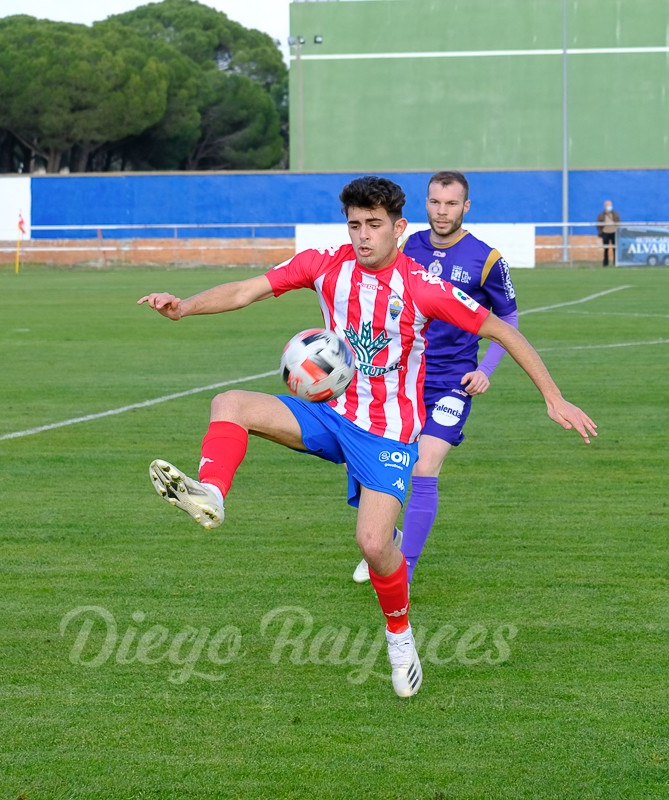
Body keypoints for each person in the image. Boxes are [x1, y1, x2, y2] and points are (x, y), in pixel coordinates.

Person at [138, 176, 597, 699]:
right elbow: (248, 289)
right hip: (332, 416)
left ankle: (399, 637)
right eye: (354, 224)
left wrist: (553, 397)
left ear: (399, 229)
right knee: (230, 404)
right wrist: (184, 306)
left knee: (374, 544)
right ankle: (212, 493)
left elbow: (503, 329)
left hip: (387, 436)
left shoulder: (423, 286)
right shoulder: (323, 264)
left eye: (374, 225)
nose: (362, 236)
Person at [350, 171, 518, 585]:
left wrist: (485, 369)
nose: (442, 212)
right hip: (402, 376)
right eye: (435, 203)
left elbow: (507, 317)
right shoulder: (408, 245)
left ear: (466, 207)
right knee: (369, 462)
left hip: (453, 381)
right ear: (426, 204)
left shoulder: (487, 258)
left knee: (424, 467)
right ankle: (386, 538)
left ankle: (403, 567)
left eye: (451, 203)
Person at [595, 200, 620, 266]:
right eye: (608, 205)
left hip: (614, 232)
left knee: (615, 248)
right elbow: (598, 224)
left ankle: (616, 263)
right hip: (605, 233)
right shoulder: (601, 215)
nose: (609, 206)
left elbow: (619, 222)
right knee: (606, 249)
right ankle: (605, 263)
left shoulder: (615, 214)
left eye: (610, 205)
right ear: (605, 206)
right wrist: (600, 232)